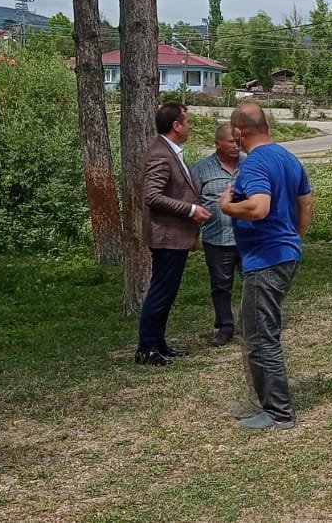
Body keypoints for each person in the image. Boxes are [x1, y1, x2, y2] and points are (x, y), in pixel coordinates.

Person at [220, 102, 314, 431]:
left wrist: (228, 207)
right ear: (267, 127)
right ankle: (268, 401)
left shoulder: (256, 163)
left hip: (266, 259)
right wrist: (292, 241)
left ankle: (278, 412)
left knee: (261, 336)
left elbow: (259, 208)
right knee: (260, 331)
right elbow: (306, 205)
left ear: (238, 132)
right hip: (285, 254)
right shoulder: (287, 158)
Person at [134, 102, 211, 367]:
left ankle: (158, 341)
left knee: (168, 291)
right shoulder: (160, 153)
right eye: (187, 121)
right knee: (161, 290)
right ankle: (146, 348)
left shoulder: (172, 151)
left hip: (176, 235)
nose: (190, 126)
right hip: (166, 236)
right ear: (176, 126)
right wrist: (191, 210)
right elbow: (152, 197)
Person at [191, 124, 243, 347]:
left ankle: (257, 323)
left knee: (255, 282)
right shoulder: (201, 169)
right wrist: (193, 235)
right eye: (231, 141)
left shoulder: (250, 164)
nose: (236, 146)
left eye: (238, 141)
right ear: (218, 144)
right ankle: (225, 326)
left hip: (249, 238)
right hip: (217, 239)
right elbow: (192, 203)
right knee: (221, 286)